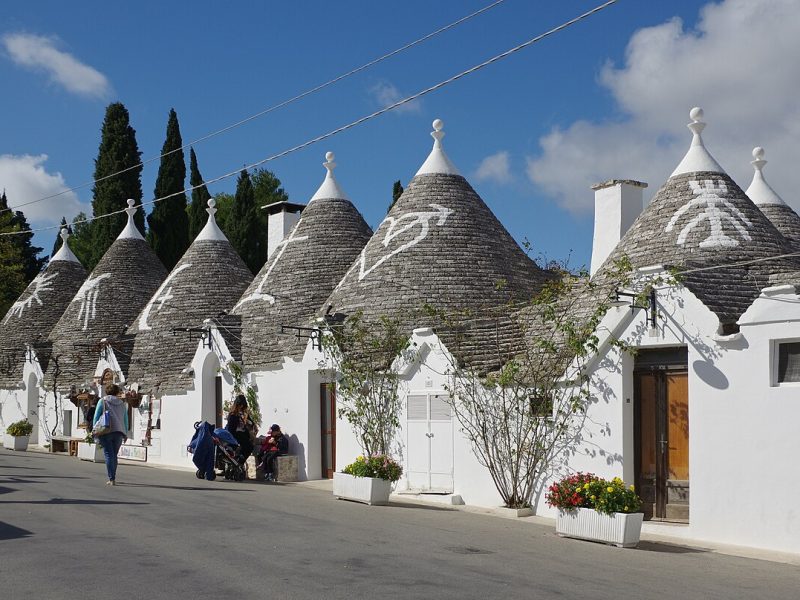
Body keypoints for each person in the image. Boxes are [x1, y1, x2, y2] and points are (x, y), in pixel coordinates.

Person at [93, 383, 129, 486]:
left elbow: (96, 416)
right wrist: (125, 432)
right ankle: (113, 476)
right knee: (114, 455)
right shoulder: (122, 403)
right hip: (119, 431)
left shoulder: (103, 401)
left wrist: (94, 430)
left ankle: (111, 478)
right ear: (117, 392)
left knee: (108, 454)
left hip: (106, 430)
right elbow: (125, 419)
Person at [225, 395, 256, 462]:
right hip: (235, 434)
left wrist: (249, 422)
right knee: (247, 446)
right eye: (240, 404)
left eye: (243, 405)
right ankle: (238, 459)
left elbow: (251, 423)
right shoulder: (233, 414)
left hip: (243, 433)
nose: (241, 406)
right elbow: (231, 428)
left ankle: (240, 461)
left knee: (249, 447)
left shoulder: (244, 413)